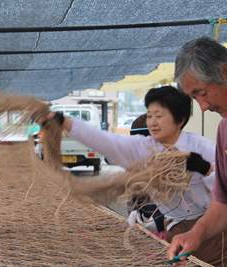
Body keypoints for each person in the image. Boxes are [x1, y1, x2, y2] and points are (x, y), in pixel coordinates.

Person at [43, 86, 218, 265]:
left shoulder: (203, 147)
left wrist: (206, 169)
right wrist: (64, 121)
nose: (152, 122)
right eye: (149, 115)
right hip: (174, 230)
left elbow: (223, 189)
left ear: (179, 120)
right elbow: (103, 140)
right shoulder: (142, 148)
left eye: (159, 116)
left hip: (212, 228)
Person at [167, 37, 227, 266]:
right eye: (194, 98)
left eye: (201, 93)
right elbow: (223, 201)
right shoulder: (224, 130)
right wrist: (196, 233)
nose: (203, 107)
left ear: (225, 71)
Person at [127, 114, 165, 239]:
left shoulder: (175, 163)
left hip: (175, 231)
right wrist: (133, 209)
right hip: (151, 233)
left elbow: (187, 204)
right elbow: (134, 191)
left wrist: (159, 219)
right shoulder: (138, 163)